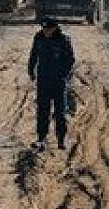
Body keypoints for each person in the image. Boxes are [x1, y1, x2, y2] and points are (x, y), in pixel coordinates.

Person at [28, 17, 75, 151]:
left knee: (60, 112)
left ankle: (61, 139)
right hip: (43, 80)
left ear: (54, 28)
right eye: (43, 28)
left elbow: (70, 59)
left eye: (48, 29)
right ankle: (41, 138)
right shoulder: (39, 38)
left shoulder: (64, 40)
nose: (45, 31)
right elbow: (33, 55)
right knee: (43, 110)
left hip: (58, 81)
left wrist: (63, 74)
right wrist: (31, 70)